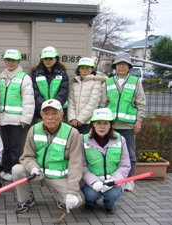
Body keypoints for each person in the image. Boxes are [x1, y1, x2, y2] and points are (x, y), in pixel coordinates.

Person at [12, 99, 83, 213]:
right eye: (46, 113)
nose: (50, 117)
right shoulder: (34, 130)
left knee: (77, 201)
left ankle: (61, 199)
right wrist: (33, 167)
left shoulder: (72, 133)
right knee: (17, 170)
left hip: (59, 177)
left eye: (54, 113)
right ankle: (26, 199)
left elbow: (76, 164)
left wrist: (72, 191)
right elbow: (27, 156)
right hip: (37, 173)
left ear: (62, 114)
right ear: (41, 115)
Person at [100, 52, 146, 192]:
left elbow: (141, 103)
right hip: (111, 125)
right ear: (115, 66)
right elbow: (103, 103)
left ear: (129, 66)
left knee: (130, 154)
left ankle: (129, 180)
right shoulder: (108, 82)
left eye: (124, 64)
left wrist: (139, 121)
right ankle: (112, 178)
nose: (121, 67)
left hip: (128, 125)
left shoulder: (135, 81)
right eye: (118, 64)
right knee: (110, 152)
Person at [0, 49, 34, 181]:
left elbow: (29, 100)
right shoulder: (0, 78)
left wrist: (26, 118)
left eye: (13, 60)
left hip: (17, 120)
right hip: (3, 119)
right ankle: (5, 168)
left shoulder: (24, 78)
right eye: (8, 60)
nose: (10, 63)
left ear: (18, 61)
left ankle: (14, 171)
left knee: (15, 147)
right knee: (5, 146)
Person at [81, 108, 130, 214]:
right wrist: (94, 182)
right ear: (93, 124)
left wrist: (113, 180)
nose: (102, 126)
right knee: (91, 194)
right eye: (98, 123)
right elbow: (82, 166)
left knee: (112, 194)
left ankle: (109, 202)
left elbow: (125, 165)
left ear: (110, 124)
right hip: (92, 181)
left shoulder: (120, 140)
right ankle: (90, 201)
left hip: (112, 180)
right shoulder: (83, 140)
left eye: (105, 123)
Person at [68, 57, 107, 134]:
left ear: (92, 69)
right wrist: (72, 118)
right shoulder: (75, 83)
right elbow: (71, 102)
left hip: (88, 123)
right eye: (82, 68)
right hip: (74, 122)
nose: (84, 70)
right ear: (79, 69)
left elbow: (93, 103)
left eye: (87, 68)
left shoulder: (96, 82)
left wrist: (80, 119)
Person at [31, 46, 69, 121]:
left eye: (50, 58)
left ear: (56, 59)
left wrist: (54, 106)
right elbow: (35, 92)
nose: (48, 61)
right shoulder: (36, 73)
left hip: (58, 110)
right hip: (41, 110)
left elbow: (63, 91)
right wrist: (45, 106)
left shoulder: (62, 73)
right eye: (45, 58)